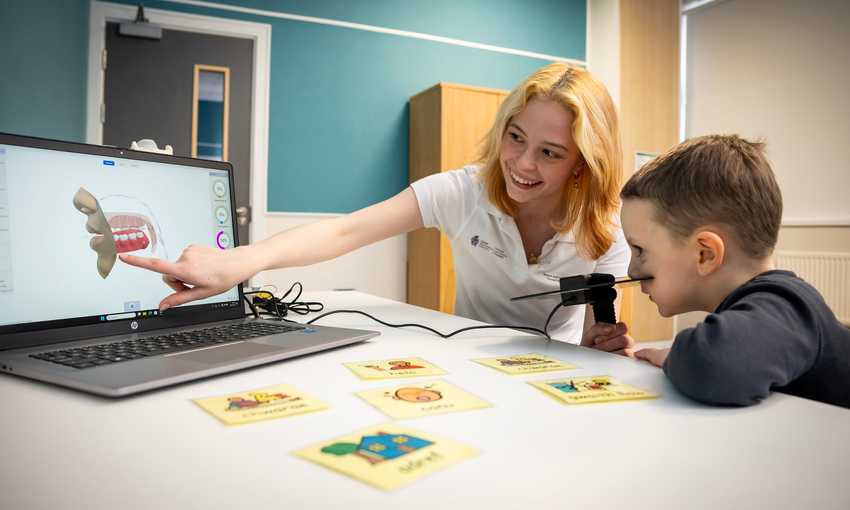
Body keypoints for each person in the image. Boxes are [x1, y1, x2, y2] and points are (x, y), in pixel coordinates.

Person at [120, 63, 633, 354]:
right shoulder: (465, 191)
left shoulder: (606, 234)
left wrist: (603, 343)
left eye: (550, 153)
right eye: (515, 138)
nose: (521, 164)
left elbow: (593, 335)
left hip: (547, 372)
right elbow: (347, 231)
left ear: (583, 165)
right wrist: (237, 262)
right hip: (468, 361)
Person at [620, 134, 850, 407]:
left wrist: (673, 357)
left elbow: (714, 364)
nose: (632, 271)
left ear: (705, 254)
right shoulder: (766, 307)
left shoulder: (786, 304)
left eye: (640, 250)